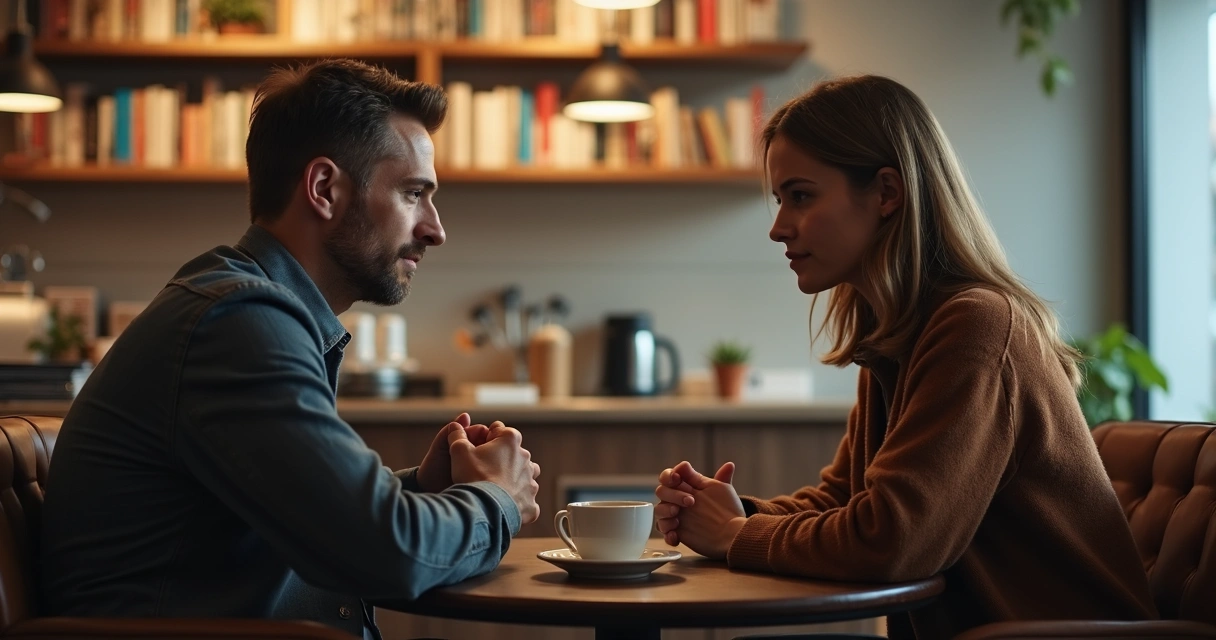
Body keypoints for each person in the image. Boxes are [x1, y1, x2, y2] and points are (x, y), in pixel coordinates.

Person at [40, 59, 540, 640]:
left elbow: (294, 525)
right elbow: (385, 552)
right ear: (324, 189)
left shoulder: (250, 310)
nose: (435, 229)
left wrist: (422, 492)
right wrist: (495, 498)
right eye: (412, 193)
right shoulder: (239, 323)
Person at [654, 75, 1156, 639]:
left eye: (801, 196)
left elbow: (893, 540)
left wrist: (736, 535)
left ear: (887, 193)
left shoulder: (976, 325)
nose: (777, 228)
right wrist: (733, 514)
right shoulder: (899, 332)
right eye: (779, 200)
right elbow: (846, 501)